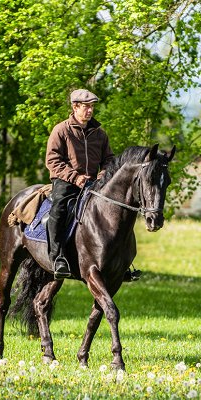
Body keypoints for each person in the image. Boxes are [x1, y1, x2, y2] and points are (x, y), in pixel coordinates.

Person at [45, 88, 115, 279]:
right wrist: (75, 177)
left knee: (114, 210)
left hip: (94, 183)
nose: (90, 111)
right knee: (59, 207)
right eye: (86, 107)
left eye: (92, 107)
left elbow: (109, 159)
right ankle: (57, 257)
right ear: (75, 107)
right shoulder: (61, 130)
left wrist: (103, 173)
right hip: (66, 182)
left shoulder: (100, 134)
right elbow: (52, 160)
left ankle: (118, 262)